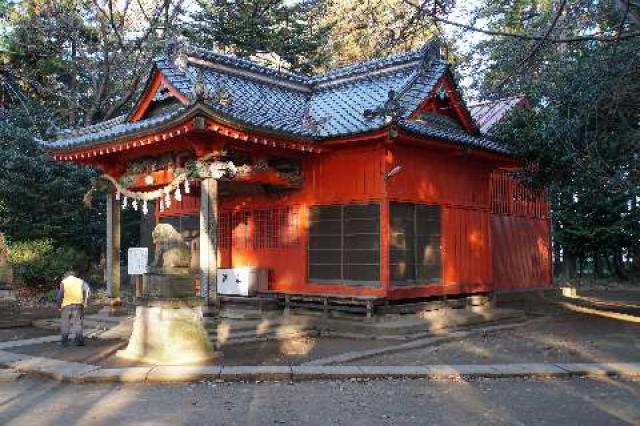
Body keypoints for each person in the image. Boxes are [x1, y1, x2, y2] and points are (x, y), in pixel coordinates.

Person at [55, 271, 91, 346]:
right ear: (75, 276)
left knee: (65, 324)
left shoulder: (64, 282)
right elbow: (88, 291)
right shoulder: (80, 281)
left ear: (66, 276)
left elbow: (60, 295)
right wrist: (85, 302)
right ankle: (79, 341)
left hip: (66, 306)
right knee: (78, 324)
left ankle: (64, 342)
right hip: (78, 305)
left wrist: (58, 306)